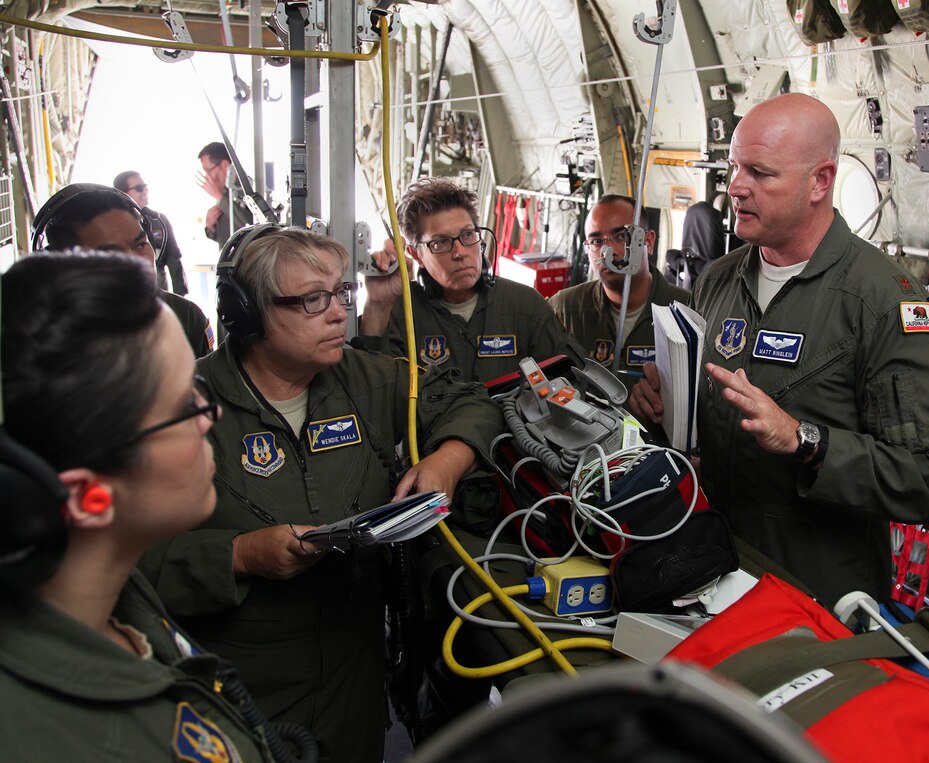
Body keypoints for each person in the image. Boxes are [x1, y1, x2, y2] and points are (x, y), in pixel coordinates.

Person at [139, 225, 505, 762]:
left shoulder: (366, 379)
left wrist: (448, 459)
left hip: (351, 685)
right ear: (247, 314)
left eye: (340, 293)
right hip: (238, 692)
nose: (339, 313)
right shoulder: (178, 408)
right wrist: (240, 556)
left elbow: (471, 401)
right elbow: (131, 568)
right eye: (313, 300)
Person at [628, 93, 929, 606]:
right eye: (735, 167)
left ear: (820, 182)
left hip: (814, 596)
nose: (735, 187)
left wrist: (806, 441)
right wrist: (661, 402)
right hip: (713, 571)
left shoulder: (882, 301)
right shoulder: (718, 280)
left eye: (760, 173)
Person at [0, 252, 282, 761]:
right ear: (89, 498)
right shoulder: (60, 740)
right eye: (180, 409)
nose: (209, 417)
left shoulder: (117, 599)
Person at [353, 177, 584, 385]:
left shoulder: (525, 305)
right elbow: (373, 390)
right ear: (415, 254)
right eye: (441, 242)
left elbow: (573, 378)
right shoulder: (399, 311)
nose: (460, 252)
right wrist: (378, 304)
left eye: (467, 235)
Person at [35, 184, 214, 358]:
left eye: (140, 244)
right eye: (112, 255)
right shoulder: (46, 343)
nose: (138, 264)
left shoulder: (186, 318)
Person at [548, 194, 691, 408]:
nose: (610, 251)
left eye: (623, 237)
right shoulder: (564, 309)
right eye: (596, 241)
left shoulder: (688, 310)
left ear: (649, 242)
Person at [114, 169, 189, 296]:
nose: (145, 191)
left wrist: (181, 298)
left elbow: (174, 258)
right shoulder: (114, 223)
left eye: (145, 187)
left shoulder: (159, 220)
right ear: (122, 193)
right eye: (139, 188)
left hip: (159, 295)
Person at [198, 141, 253, 249]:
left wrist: (219, 197)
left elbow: (249, 226)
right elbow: (228, 235)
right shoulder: (225, 192)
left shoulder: (247, 188)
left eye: (209, 170)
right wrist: (210, 227)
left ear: (224, 165)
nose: (207, 177)